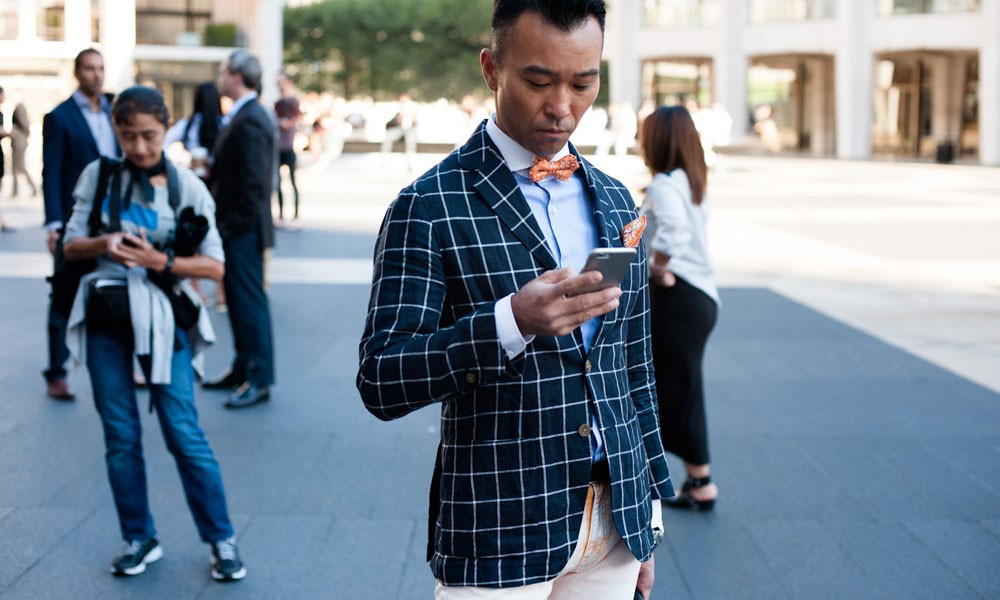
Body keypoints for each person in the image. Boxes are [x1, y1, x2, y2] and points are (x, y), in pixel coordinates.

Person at [357, 2, 673, 598]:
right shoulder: (428, 206)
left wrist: (649, 513)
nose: (562, 107)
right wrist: (511, 321)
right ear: (491, 69)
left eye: (583, 83)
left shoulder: (614, 200)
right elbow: (381, 379)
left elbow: (633, 367)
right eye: (538, 81)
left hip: (615, 525)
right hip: (499, 528)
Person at [61, 85, 246, 582]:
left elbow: (214, 266)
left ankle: (221, 538)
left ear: (166, 128)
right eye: (128, 136)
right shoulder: (99, 175)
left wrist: (158, 260)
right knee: (120, 435)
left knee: (183, 431)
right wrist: (104, 242)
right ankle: (138, 537)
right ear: (116, 133)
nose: (139, 147)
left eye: (148, 135)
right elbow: (71, 244)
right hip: (107, 314)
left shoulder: (188, 187)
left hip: (165, 318)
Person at [638, 105, 720, 511]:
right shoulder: (692, 181)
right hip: (701, 297)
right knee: (684, 388)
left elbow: (675, 232)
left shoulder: (663, 185)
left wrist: (658, 266)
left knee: (664, 389)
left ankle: (675, 482)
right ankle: (698, 480)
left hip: (678, 297)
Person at [42, 48, 121, 401]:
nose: (97, 75)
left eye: (101, 68)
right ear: (77, 72)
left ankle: (129, 365)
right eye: (90, 68)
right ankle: (57, 372)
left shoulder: (115, 110)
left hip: (115, 218)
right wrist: (54, 223)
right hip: (75, 221)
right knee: (63, 296)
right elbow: (52, 173)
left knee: (123, 286)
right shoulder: (60, 117)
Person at [202, 50, 276, 409]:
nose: (219, 78)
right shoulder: (245, 115)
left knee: (249, 304)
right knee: (236, 301)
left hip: (242, 230)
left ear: (235, 76)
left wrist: (229, 229)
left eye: (222, 72)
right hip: (237, 227)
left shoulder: (251, 118)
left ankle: (258, 378)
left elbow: (255, 186)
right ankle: (242, 368)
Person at [164, 81, 226, 310]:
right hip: (217, 187)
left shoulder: (190, 123)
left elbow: (166, 142)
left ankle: (197, 291)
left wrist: (183, 164)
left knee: (193, 237)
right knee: (216, 240)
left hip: (195, 184)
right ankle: (221, 293)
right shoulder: (224, 124)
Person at [274, 70, 302, 230]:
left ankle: (296, 216)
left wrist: (281, 122)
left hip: (289, 147)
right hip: (279, 147)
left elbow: (288, 123)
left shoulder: (293, 103)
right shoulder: (278, 104)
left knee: (292, 182)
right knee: (278, 183)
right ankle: (280, 216)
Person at [380, 93, 418, 171]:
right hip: (398, 130)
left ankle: (410, 163)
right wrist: (397, 120)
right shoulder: (396, 110)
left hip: (409, 131)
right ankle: (383, 161)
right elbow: (388, 125)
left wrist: (413, 120)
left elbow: (416, 124)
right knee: (388, 138)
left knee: (410, 140)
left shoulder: (413, 110)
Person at [10, 98, 39, 198]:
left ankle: (33, 187)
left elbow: (25, 124)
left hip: (19, 141)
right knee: (15, 166)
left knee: (20, 166)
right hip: (18, 140)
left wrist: (21, 136)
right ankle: (15, 190)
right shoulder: (18, 106)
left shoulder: (20, 107)